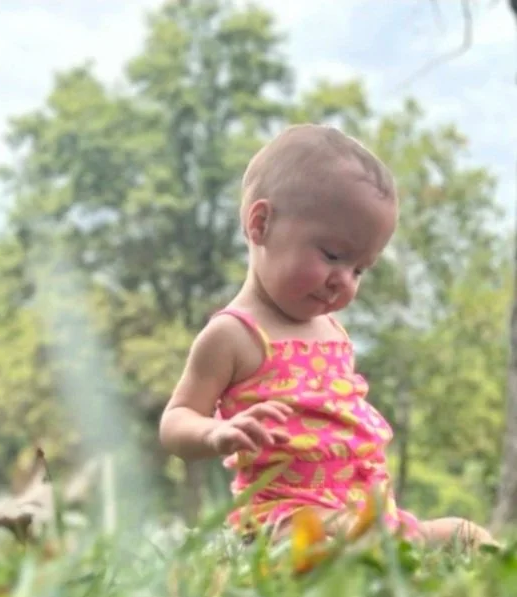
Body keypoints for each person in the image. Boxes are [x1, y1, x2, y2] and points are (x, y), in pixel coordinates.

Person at [159, 123, 496, 548]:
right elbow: (176, 422)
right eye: (332, 256)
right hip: (284, 515)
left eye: (359, 269)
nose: (345, 282)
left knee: (466, 535)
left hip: (365, 508)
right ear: (260, 224)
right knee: (331, 540)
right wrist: (214, 433)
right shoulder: (231, 335)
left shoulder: (333, 331)